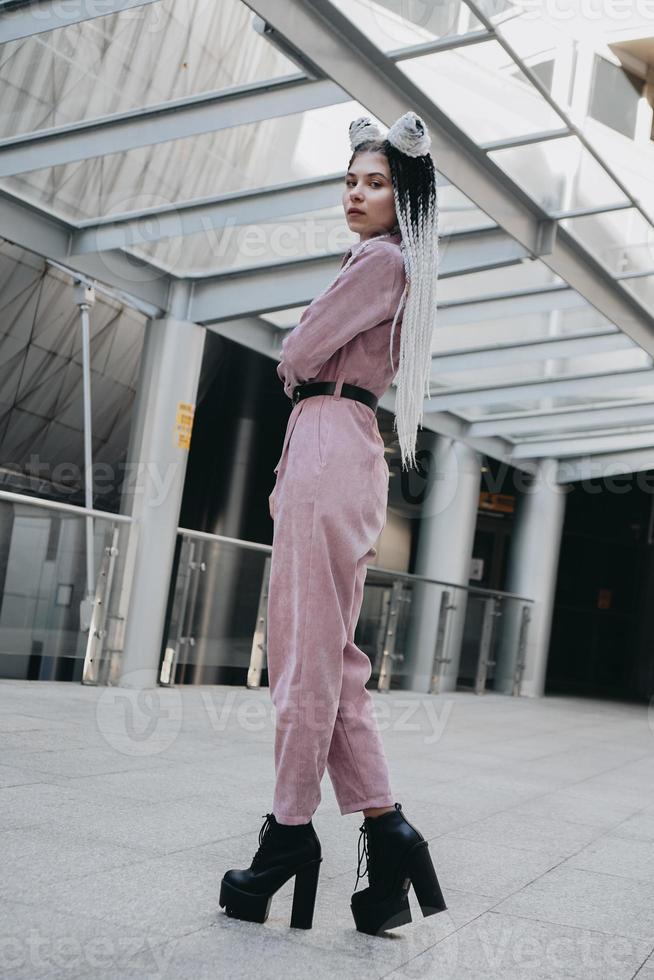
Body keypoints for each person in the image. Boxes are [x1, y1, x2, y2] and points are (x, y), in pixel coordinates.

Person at [220, 111, 447, 936]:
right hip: (340, 447)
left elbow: (298, 350)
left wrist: (294, 353)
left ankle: (287, 833)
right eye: (350, 180)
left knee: (303, 660)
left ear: (405, 197)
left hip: (328, 444)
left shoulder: (380, 260)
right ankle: (388, 834)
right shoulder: (392, 263)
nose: (356, 193)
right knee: (334, 662)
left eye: (376, 182)